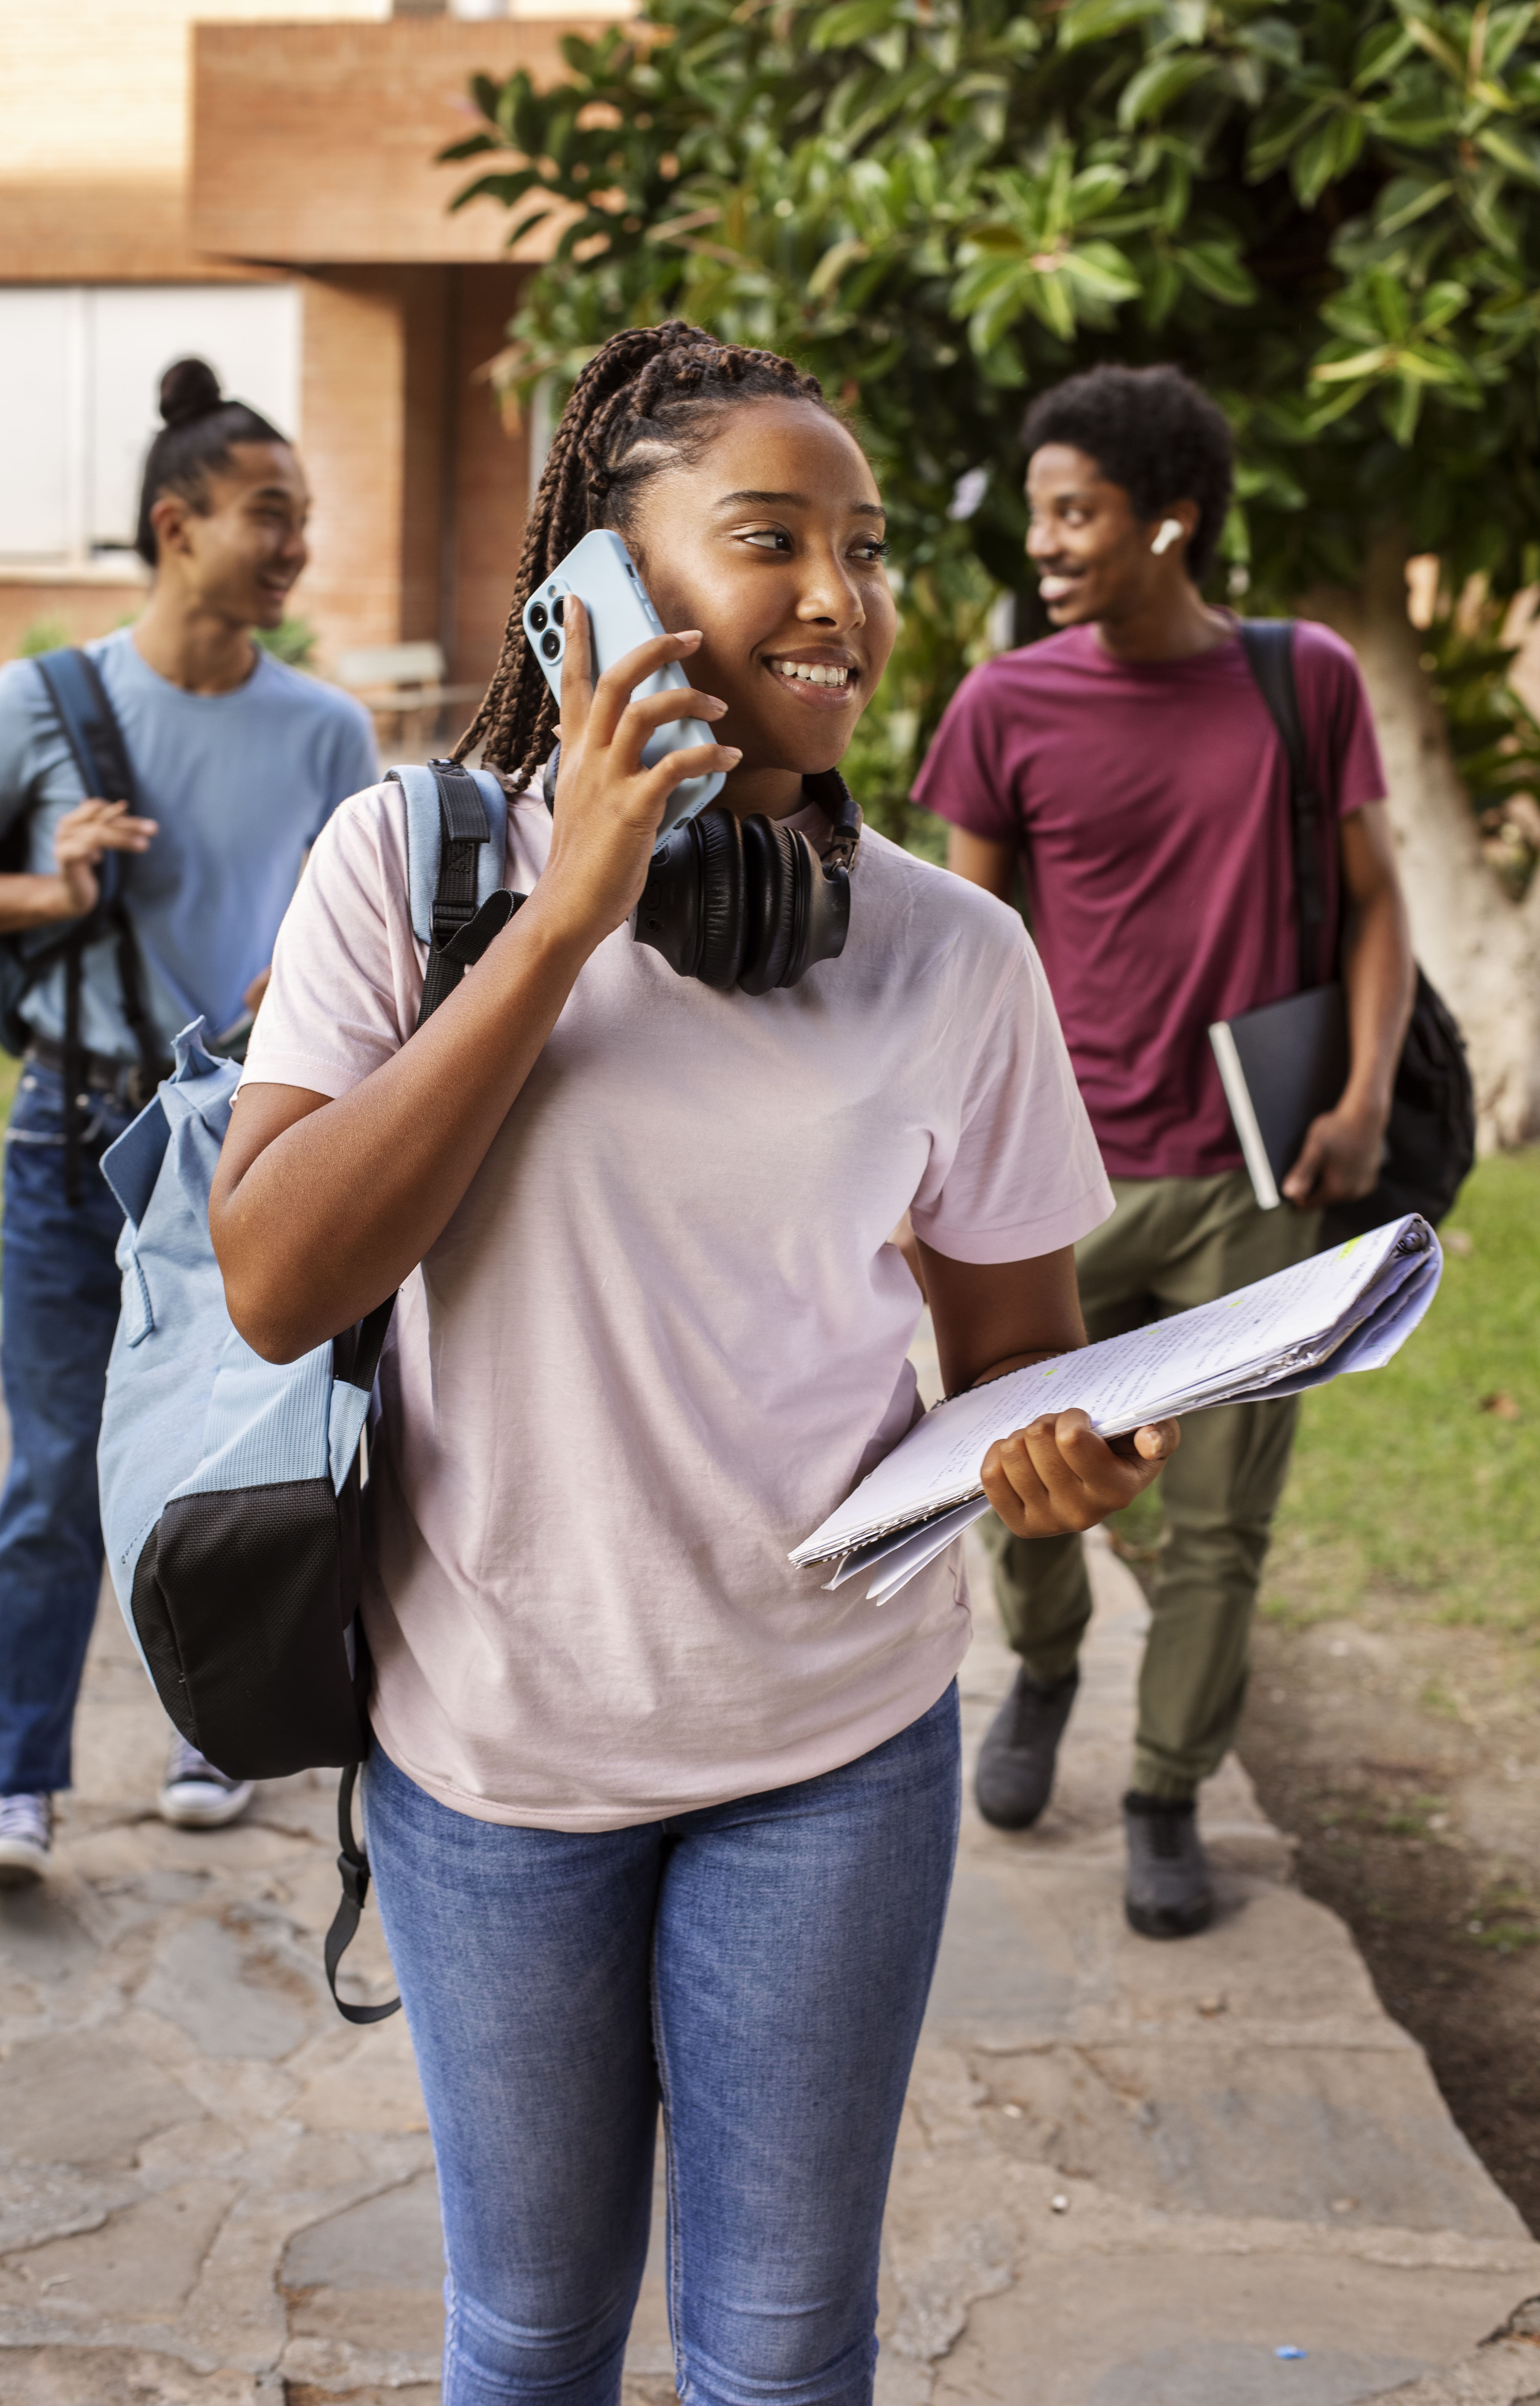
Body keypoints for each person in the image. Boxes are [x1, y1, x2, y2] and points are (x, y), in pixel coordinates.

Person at [209, 322, 1178, 2406]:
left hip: (828, 1748)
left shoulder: (950, 954)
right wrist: (560, 925)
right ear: (603, 594)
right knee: (533, 2333)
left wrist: (1055, 1457)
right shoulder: (408, 871)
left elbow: (1015, 1351)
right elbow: (277, 1280)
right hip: (495, 1753)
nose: (839, 596)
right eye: (767, 540)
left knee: (776, 2349)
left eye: (864, 545)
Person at [913, 363, 1414, 1940]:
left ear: (1169, 523)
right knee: (1020, 1471)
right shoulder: (1003, 705)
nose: (1047, 543)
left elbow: (1377, 902)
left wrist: (1364, 1097)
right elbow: (958, 948)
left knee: (1219, 1522)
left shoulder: (1300, 678)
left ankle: (1165, 1793)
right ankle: (1045, 1665)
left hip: (1251, 1184)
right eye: (1041, 512)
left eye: (1078, 513)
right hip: (1050, 1183)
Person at [0, 357, 377, 1884]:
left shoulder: (326, 728)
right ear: (178, 524)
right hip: (69, 1134)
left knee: (233, 1453)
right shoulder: (41, 701)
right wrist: (43, 888)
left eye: (304, 518)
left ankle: (210, 1726)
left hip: (235, 1144)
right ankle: (18, 1783)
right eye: (271, 513)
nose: (294, 542)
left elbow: (356, 921)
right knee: (57, 1465)